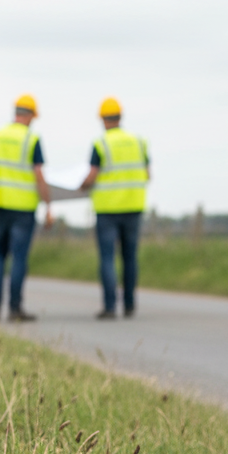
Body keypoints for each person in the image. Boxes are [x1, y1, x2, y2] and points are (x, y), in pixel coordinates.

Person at [0, 94, 51, 321]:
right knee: (19, 258)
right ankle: (14, 309)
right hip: (23, 209)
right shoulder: (31, 140)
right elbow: (39, 175)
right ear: (30, 115)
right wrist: (48, 205)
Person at [80, 98, 150, 319]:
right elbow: (147, 174)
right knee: (130, 257)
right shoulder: (139, 142)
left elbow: (91, 176)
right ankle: (129, 305)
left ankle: (110, 307)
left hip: (108, 209)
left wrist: (82, 186)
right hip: (133, 207)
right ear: (121, 117)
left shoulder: (101, 144)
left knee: (108, 258)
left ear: (102, 119)